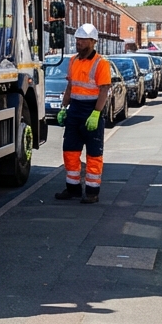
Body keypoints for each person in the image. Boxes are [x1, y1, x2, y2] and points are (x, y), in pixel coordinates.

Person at [54, 23, 110, 204]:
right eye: (77, 39)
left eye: (82, 39)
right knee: (70, 152)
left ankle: (93, 192)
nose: (78, 42)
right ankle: (73, 189)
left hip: (91, 110)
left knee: (94, 155)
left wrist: (96, 114)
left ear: (93, 42)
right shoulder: (73, 61)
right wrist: (64, 107)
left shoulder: (101, 63)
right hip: (75, 110)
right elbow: (70, 86)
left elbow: (104, 90)